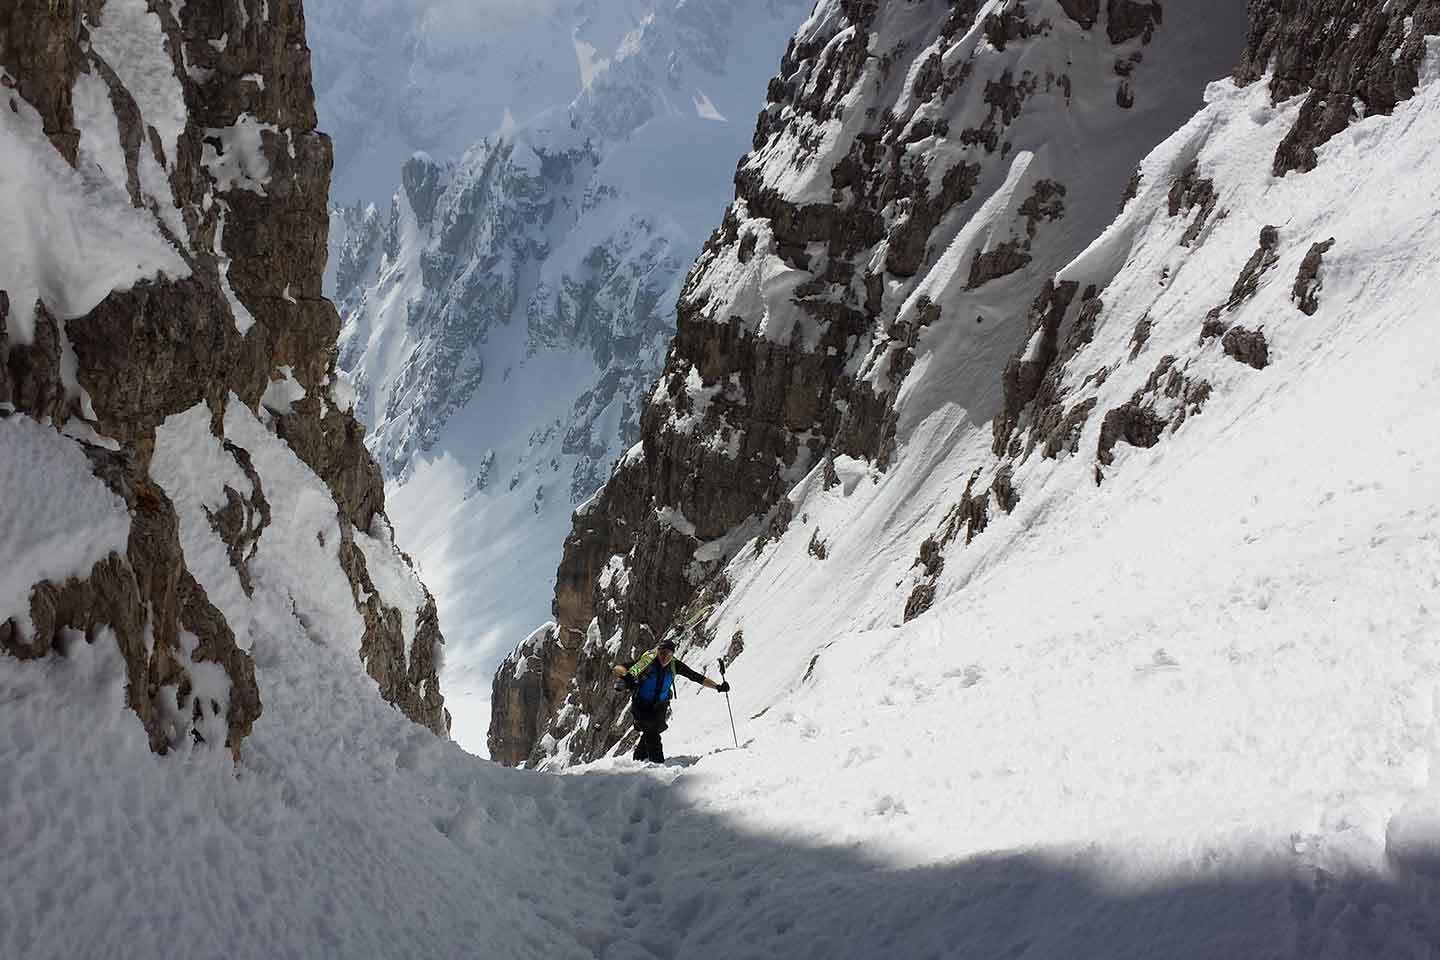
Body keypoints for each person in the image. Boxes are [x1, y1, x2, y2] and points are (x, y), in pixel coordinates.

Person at [613, 636, 730, 763]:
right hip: (641, 705)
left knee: (653, 730)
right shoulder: (647, 663)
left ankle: (639, 759)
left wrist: (718, 687)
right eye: (662, 653)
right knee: (651, 731)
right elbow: (618, 668)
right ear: (658, 652)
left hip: (659, 706)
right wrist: (625, 676)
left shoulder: (674, 665)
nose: (665, 657)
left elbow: (696, 677)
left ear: (673, 655)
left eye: (669, 654)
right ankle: (657, 764)